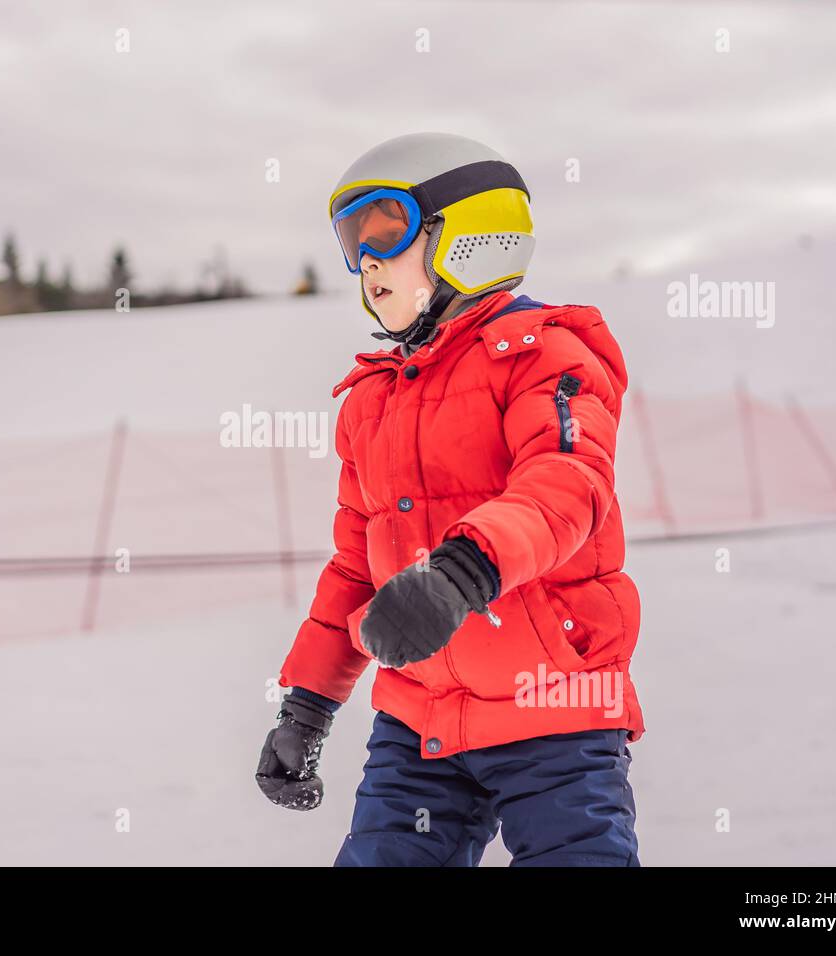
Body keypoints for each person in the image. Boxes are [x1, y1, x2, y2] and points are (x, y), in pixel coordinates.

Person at [255, 132, 645, 867]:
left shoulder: (545, 355)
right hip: (419, 724)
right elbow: (353, 570)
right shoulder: (373, 396)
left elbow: (567, 486)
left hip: (553, 705)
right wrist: (307, 704)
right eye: (351, 242)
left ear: (471, 233)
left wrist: (461, 574)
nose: (365, 262)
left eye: (384, 230)